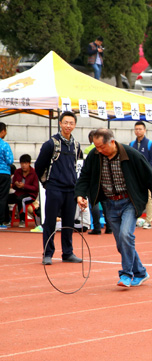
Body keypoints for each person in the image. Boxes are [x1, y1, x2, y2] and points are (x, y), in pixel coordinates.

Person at [75, 128, 152, 287]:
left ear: (112, 142)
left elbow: (151, 178)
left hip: (129, 202)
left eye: (102, 147)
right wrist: (80, 194)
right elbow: (85, 176)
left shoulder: (132, 155)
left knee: (125, 236)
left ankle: (126, 275)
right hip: (109, 203)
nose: (99, 150)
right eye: (96, 147)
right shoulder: (95, 157)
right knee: (121, 243)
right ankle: (141, 272)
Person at [34, 112, 83, 265]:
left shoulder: (76, 145)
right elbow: (39, 166)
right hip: (54, 187)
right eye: (66, 122)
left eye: (71, 123)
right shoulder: (51, 144)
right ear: (60, 123)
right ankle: (48, 253)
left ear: (75, 125)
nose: (68, 126)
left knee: (69, 222)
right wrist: (46, 183)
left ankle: (68, 253)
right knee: (50, 222)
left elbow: (79, 167)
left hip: (71, 189)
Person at [129, 121, 152, 229]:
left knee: (149, 198)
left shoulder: (150, 144)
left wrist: (145, 173)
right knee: (135, 197)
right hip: (135, 177)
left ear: (145, 130)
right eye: (136, 129)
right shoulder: (132, 144)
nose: (138, 131)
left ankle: (148, 220)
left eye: (140, 129)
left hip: (148, 176)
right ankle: (137, 219)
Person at [83, 130, 111, 235]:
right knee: (106, 204)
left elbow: (86, 166)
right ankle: (109, 227)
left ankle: (97, 227)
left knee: (94, 204)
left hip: (93, 181)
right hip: (105, 180)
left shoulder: (88, 150)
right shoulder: (106, 148)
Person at [7, 154, 38, 227]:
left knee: (22, 200)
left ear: (29, 163)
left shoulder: (34, 173)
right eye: (22, 163)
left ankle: (22, 220)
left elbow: (35, 188)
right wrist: (16, 185)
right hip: (18, 193)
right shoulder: (17, 172)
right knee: (4, 198)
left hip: (30, 195)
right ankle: (6, 219)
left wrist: (24, 186)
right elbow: (14, 185)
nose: (24, 165)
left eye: (26, 163)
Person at [0, 122, 13, 228]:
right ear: (3, 131)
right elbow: (10, 160)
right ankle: (1, 221)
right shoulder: (4, 145)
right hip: (4, 173)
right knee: (2, 197)